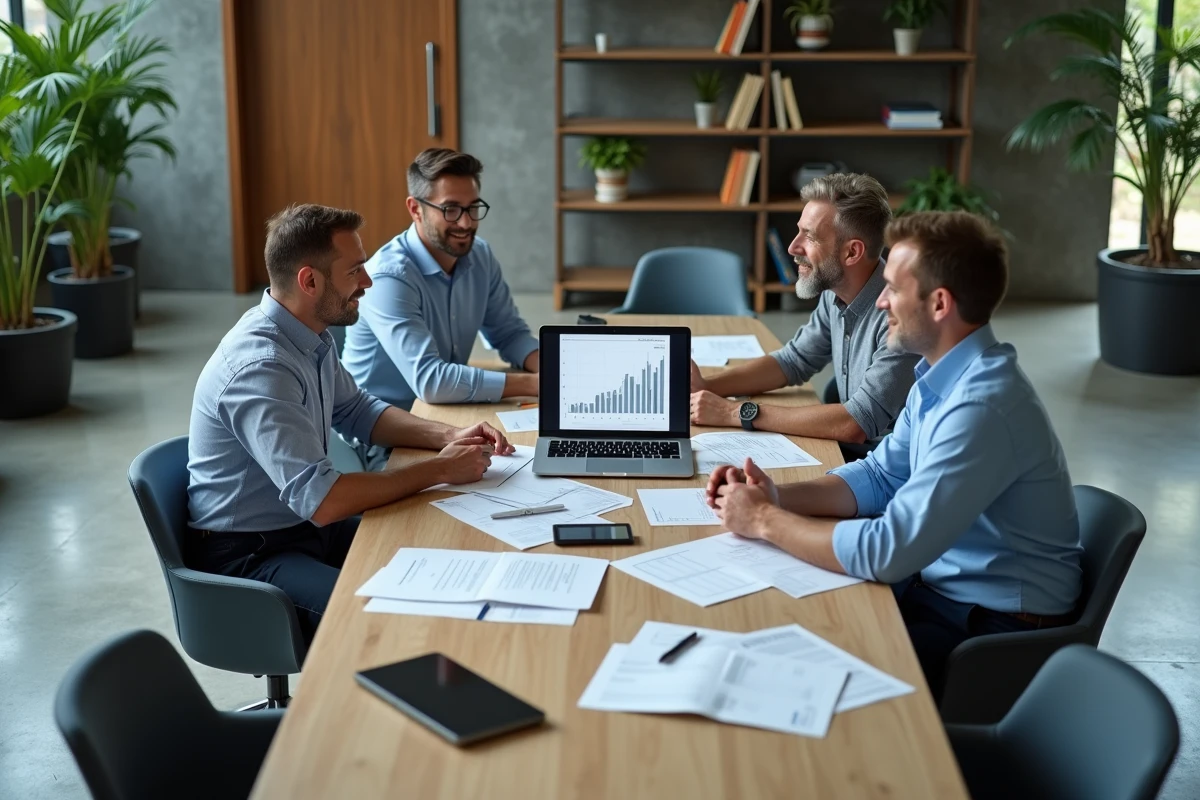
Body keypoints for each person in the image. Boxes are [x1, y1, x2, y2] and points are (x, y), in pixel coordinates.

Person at [707, 210, 1083, 694]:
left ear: (939, 304)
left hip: (994, 632)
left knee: (806, 669)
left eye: (892, 288)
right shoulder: (940, 376)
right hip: (941, 590)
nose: (880, 300)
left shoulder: (981, 407)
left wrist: (764, 520)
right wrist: (775, 496)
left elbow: (886, 551)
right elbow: (881, 477)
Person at [187, 203, 513, 643]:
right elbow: (324, 499)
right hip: (251, 556)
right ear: (310, 281)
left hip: (301, 527)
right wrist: (440, 469)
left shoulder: (308, 333)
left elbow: (357, 411)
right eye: (355, 270)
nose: (368, 281)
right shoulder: (261, 368)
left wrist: (451, 436)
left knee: (442, 559)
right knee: (394, 618)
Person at [689, 173, 919, 461]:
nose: (792, 247)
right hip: (853, 456)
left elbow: (856, 423)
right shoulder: (836, 290)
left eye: (809, 236)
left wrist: (733, 412)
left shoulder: (902, 319)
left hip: (887, 470)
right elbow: (793, 361)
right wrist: (707, 387)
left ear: (852, 252)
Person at [341, 148, 539, 467]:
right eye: (451, 209)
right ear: (415, 209)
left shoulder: (480, 255)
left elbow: (509, 332)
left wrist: (553, 369)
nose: (466, 222)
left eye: (472, 208)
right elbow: (431, 380)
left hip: (446, 413)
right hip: (383, 434)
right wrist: (534, 384)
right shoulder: (389, 277)